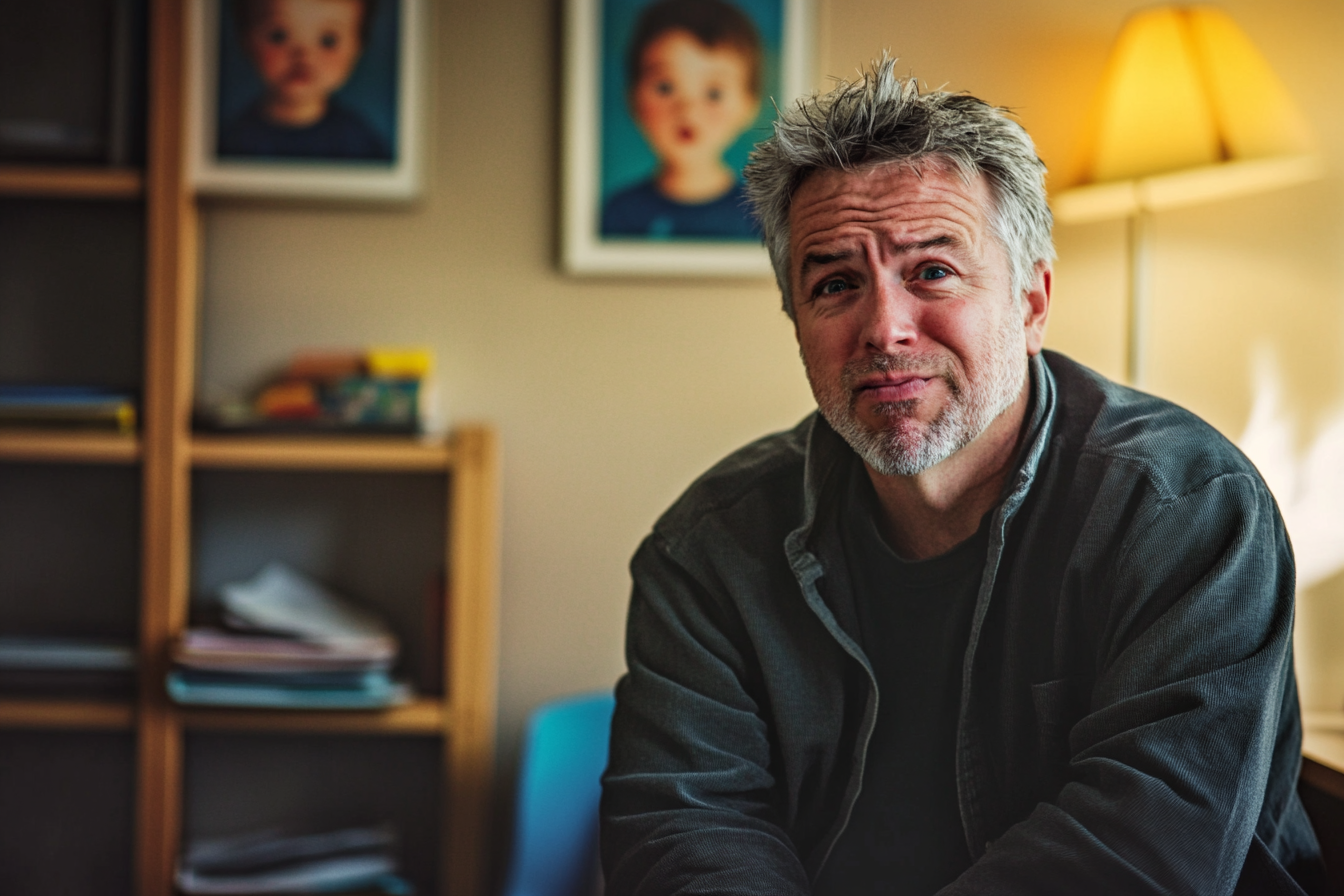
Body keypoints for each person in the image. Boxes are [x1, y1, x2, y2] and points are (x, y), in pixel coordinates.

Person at [600, 57, 1327, 895]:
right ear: (795, 323)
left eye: (933, 271)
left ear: (1031, 303)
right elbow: (681, 827)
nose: (885, 328)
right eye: (835, 283)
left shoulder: (1189, 512)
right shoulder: (708, 550)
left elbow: (1144, 851)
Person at [601, 0, 762, 240]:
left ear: (748, 106)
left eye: (714, 93)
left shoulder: (760, 216)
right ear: (633, 98)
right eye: (666, 87)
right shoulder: (618, 213)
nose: (687, 111)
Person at [218, 0, 390, 161]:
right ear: (246, 40)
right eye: (279, 35)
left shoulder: (361, 144)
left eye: (328, 40)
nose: (303, 56)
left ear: (358, 47)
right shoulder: (230, 141)